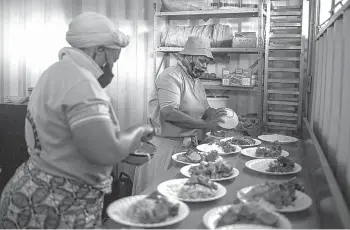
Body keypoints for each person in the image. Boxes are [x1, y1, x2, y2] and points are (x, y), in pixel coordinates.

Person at [0, 12, 154, 229]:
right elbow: (105, 151)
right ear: (98, 50)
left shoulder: (57, 71)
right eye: (112, 60)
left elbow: (70, 138)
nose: (111, 69)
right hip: (56, 203)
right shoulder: (82, 83)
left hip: (31, 187)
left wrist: (123, 148)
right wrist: (138, 131)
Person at [132, 36, 227, 195]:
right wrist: (204, 125)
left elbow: (205, 110)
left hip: (185, 149)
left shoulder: (196, 81)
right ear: (188, 57)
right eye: (201, 61)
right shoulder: (171, 76)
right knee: (159, 198)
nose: (204, 67)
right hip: (165, 149)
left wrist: (227, 119)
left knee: (180, 198)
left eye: (207, 63)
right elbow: (169, 113)